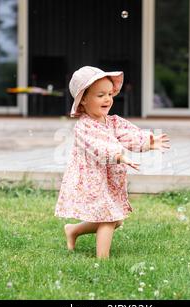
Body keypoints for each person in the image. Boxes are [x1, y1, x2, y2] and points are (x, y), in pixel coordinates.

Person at [55, 66, 171, 259]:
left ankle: (73, 230)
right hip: (91, 181)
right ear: (83, 99)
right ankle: (103, 260)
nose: (108, 99)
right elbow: (98, 147)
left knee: (116, 220)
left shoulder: (112, 121)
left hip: (108, 180)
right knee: (109, 219)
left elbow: (128, 134)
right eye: (100, 95)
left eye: (110, 94)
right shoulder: (83, 127)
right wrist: (119, 156)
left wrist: (148, 142)